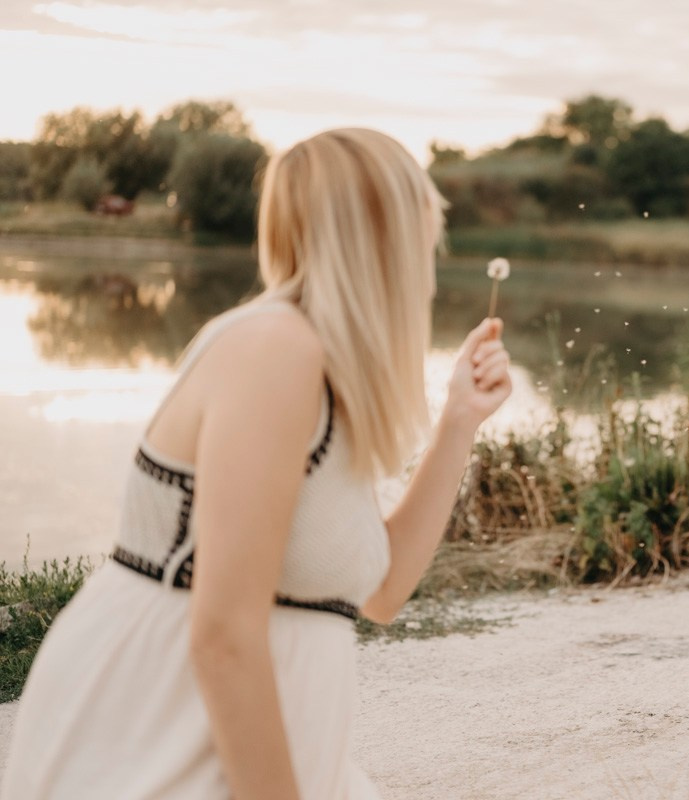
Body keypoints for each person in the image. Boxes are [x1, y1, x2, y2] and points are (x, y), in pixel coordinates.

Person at [1, 128, 512, 799]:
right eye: (428, 234)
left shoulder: (324, 372)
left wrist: (459, 420)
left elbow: (380, 593)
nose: (432, 260)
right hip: (168, 743)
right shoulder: (275, 351)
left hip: (262, 754)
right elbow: (224, 634)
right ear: (385, 236)